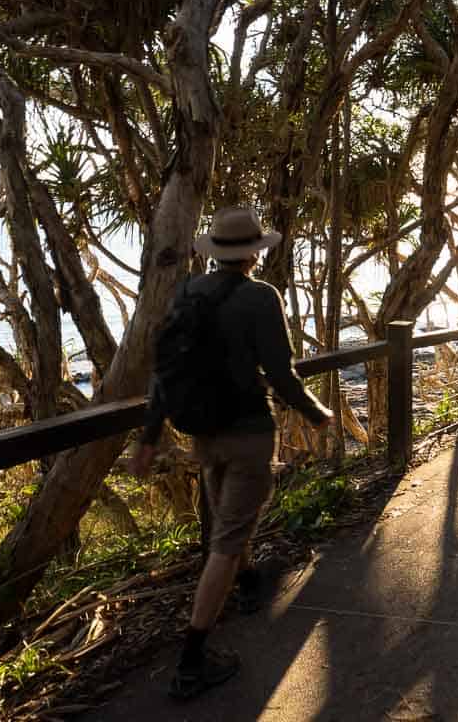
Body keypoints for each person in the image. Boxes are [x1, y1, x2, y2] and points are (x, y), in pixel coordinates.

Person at [129, 205, 334, 700]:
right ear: (253, 255)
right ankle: (192, 660)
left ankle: (249, 582)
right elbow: (281, 373)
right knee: (226, 539)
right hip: (247, 432)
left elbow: (164, 371)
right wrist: (315, 412)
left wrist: (149, 436)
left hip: (201, 433)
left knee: (228, 518)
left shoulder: (188, 292)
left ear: (216, 252)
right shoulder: (262, 298)